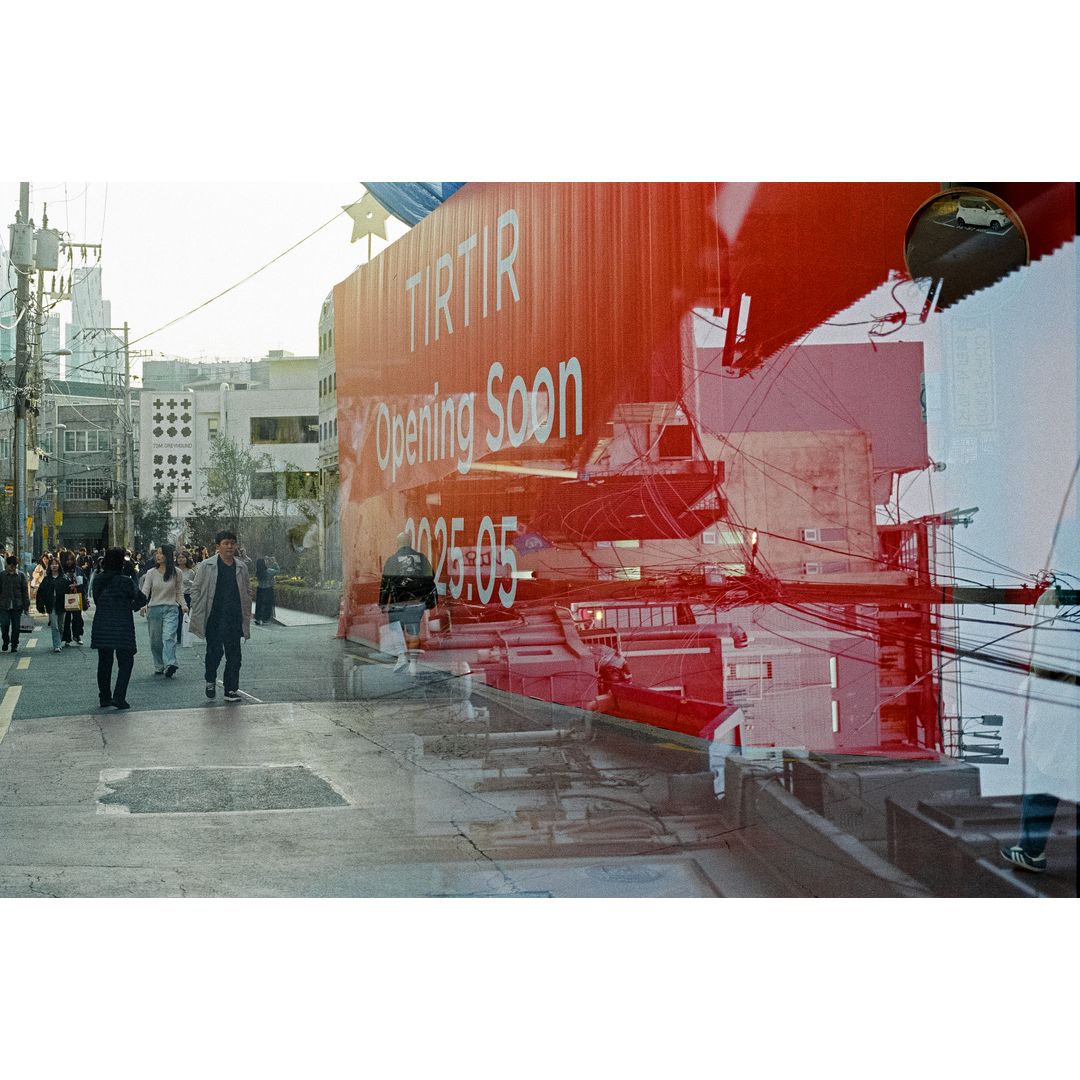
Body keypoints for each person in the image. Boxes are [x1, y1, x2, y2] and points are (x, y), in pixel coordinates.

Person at [189, 529, 251, 703]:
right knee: (214, 652)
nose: (230, 546)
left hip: (234, 618)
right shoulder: (206, 565)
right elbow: (195, 589)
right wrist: (198, 605)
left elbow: (247, 589)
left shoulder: (241, 567)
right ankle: (210, 679)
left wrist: (246, 607)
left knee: (234, 656)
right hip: (214, 617)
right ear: (218, 546)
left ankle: (230, 689)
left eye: (232, 543)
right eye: (226, 543)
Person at [91, 547, 148, 709]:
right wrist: (131, 606)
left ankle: (104, 697)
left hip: (102, 624)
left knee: (104, 662)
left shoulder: (98, 580)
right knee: (126, 661)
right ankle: (119, 696)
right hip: (122, 625)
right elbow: (141, 599)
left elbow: (96, 600)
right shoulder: (125, 581)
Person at [379, 532, 438, 661]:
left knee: (396, 629)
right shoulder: (422, 558)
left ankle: (401, 657)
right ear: (410, 543)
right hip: (417, 603)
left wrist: (382, 604)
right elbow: (431, 577)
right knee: (414, 630)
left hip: (397, 603)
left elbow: (385, 585)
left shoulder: (391, 560)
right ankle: (414, 659)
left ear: (398, 544)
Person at [140, 543, 187, 678]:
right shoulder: (151, 573)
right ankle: (159, 665)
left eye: (161, 553)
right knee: (155, 641)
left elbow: (179, 592)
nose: (158, 555)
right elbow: (145, 591)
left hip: (171, 609)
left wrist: (183, 605)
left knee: (169, 637)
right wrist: (143, 605)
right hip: (154, 609)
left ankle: (171, 663)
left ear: (168, 555)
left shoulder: (177, 573)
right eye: (157, 553)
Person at [34, 557, 67, 652]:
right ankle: (57, 645)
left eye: (56, 564)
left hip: (62, 604)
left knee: (61, 626)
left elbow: (69, 590)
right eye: (52, 564)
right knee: (54, 626)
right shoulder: (46, 579)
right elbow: (41, 593)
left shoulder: (64, 578)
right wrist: (40, 605)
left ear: (59, 565)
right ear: (50, 566)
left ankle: (59, 641)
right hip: (51, 604)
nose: (54, 566)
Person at [0, 555, 31, 653]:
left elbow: (25, 592)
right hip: (3, 605)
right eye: (10, 566)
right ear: (7, 565)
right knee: (4, 625)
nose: (12, 568)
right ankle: (5, 641)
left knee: (16, 627)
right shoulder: (1, 575)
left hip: (17, 605)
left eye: (14, 566)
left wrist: (26, 607)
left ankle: (14, 644)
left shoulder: (21, 575)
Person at [59, 549, 89, 645]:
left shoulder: (78, 570)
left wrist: (79, 588)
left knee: (77, 618)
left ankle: (77, 635)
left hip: (77, 596)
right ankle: (67, 638)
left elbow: (85, 582)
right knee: (66, 618)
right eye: (67, 560)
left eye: (71, 559)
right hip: (65, 597)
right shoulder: (61, 570)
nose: (69, 562)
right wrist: (66, 586)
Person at [175, 551, 196, 644]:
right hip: (175, 596)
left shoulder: (191, 572)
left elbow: (195, 584)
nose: (181, 559)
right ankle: (177, 636)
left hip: (187, 595)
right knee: (176, 616)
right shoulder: (174, 570)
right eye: (179, 557)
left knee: (184, 617)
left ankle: (184, 636)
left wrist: (189, 582)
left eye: (183, 557)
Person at [253, 553, 280, 625]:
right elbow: (277, 570)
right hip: (268, 589)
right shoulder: (268, 571)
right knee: (268, 604)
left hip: (260, 589)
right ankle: (265, 618)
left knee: (259, 604)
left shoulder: (258, 573)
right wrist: (274, 562)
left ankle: (258, 618)